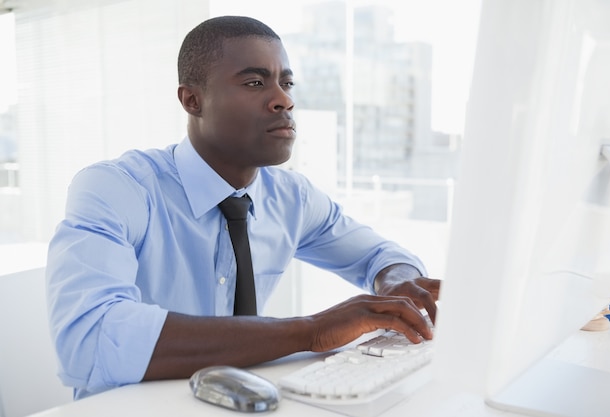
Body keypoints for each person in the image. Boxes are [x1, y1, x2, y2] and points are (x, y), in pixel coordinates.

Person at [45, 15, 441, 399]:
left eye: (287, 83)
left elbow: (380, 255)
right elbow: (91, 337)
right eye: (255, 82)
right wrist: (311, 330)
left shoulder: (292, 198)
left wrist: (396, 281)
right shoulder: (118, 188)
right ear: (193, 100)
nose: (284, 99)